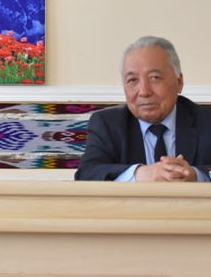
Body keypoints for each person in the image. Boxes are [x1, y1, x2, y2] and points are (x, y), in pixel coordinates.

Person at [75, 36, 211, 182]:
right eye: (132, 80)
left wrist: (196, 176)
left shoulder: (207, 121)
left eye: (155, 77)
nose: (144, 92)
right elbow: (87, 173)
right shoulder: (107, 124)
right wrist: (138, 174)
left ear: (179, 82)